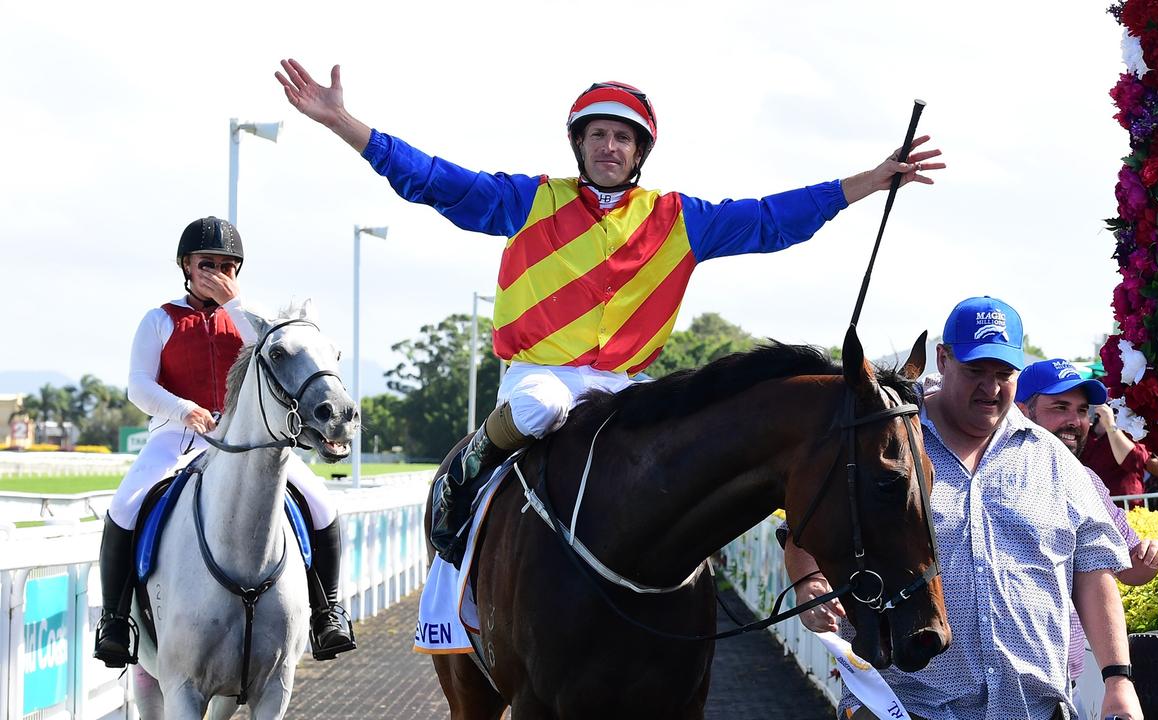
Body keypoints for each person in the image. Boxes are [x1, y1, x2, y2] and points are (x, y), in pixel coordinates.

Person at [274, 59, 946, 565]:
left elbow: (776, 219)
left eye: (622, 138)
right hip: (537, 377)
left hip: (626, 389)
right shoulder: (525, 200)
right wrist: (343, 123)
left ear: (638, 151)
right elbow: (432, 179)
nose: (608, 147)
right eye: (597, 135)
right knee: (539, 409)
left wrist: (872, 179)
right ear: (580, 144)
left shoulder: (681, 220)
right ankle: (468, 474)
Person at [784, 297, 1143, 720]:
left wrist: (1118, 679)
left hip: (1034, 709)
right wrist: (810, 583)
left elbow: (1093, 569)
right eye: (975, 371)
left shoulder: (1053, 458)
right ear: (943, 358)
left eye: (1003, 374)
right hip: (904, 707)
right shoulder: (882, 444)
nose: (990, 388)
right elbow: (804, 532)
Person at [93, 217, 356, 668]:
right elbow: (138, 386)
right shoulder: (160, 319)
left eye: (227, 266)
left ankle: (328, 612)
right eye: (206, 264)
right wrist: (183, 409)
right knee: (126, 505)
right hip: (178, 436)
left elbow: (278, 353)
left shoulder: (252, 323)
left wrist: (235, 305)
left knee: (321, 504)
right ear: (185, 266)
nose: (216, 273)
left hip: (247, 438)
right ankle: (116, 621)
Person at [1015, 358, 1158, 713]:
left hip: (1063, 691)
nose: (1075, 421)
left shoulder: (1085, 481)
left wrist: (1150, 557)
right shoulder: (977, 474)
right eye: (1060, 407)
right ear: (1022, 411)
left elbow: (1127, 570)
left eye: (1082, 409)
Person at [1078, 402, 1158, 503]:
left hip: (1125, 509)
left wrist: (1110, 425)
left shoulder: (1133, 428)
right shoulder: (1087, 432)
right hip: (1092, 506)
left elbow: (1135, 462)